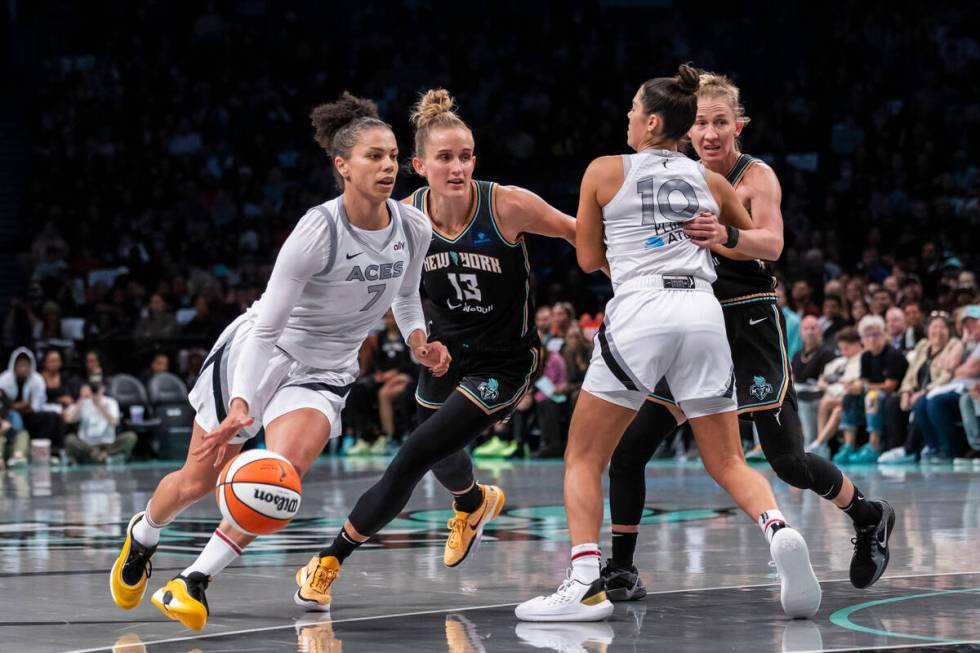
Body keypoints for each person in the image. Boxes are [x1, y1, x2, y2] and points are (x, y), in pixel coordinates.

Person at [108, 92, 450, 630]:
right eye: (373, 157)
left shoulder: (414, 227)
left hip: (326, 370)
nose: (387, 166)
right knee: (199, 480)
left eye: (391, 156)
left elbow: (407, 295)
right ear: (342, 166)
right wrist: (242, 403)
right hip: (264, 353)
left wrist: (417, 338)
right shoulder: (318, 231)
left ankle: (193, 580)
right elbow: (267, 325)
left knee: (279, 477)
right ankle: (144, 533)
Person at [515, 64, 821, 622]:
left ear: (652, 120)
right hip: (704, 313)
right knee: (728, 458)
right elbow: (754, 245)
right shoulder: (709, 180)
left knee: (584, 456)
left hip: (642, 309)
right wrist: (721, 235)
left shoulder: (605, 170)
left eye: (633, 110)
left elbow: (586, 259)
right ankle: (779, 531)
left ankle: (585, 581)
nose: (627, 118)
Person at [599, 70, 895, 611]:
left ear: (740, 124)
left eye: (720, 122)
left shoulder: (754, 175)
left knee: (787, 462)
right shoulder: (676, 174)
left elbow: (774, 243)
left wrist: (727, 236)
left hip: (751, 322)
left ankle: (869, 515)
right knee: (630, 450)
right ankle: (620, 568)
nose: (709, 133)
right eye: (701, 123)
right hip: (695, 324)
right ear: (686, 128)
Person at [293, 88, 577, 609]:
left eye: (465, 155)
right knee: (437, 448)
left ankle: (328, 560)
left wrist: (635, 280)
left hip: (505, 360)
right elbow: (393, 291)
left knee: (415, 454)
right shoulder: (404, 217)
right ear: (419, 165)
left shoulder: (507, 204)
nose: (458, 166)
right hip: (444, 353)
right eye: (444, 157)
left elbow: (582, 235)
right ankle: (472, 503)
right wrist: (418, 340)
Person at [878, 312, 960, 463]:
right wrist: (905, 392)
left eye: (942, 327)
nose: (938, 331)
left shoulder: (953, 345)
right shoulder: (923, 346)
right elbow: (910, 373)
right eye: (934, 327)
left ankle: (910, 449)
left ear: (949, 330)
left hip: (936, 390)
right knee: (893, 402)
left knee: (920, 402)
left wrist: (923, 391)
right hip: (915, 391)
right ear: (928, 330)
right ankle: (895, 447)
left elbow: (947, 376)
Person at [834, 315, 909, 463]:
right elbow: (864, 381)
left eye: (876, 335)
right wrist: (854, 387)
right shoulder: (866, 356)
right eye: (867, 336)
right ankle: (849, 444)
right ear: (862, 339)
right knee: (849, 397)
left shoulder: (893, 355)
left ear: (884, 335)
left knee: (872, 396)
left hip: (893, 396)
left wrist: (865, 387)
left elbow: (890, 386)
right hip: (873, 393)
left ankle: (874, 445)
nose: (872, 339)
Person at [64, 381, 138, 464]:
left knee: (130, 437)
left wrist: (99, 406)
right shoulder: (83, 403)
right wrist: (81, 399)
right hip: (87, 445)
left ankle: (101, 456)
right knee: (70, 439)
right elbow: (69, 420)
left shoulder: (111, 402)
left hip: (108, 444)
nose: (95, 392)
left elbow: (115, 422)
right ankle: (102, 457)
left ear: (103, 389)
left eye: (97, 389)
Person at [793, 316, 838, 446]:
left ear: (820, 331)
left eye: (813, 328)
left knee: (803, 400)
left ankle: (810, 444)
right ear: (801, 333)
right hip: (800, 394)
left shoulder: (827, 353)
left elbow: (829, 380)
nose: (810, 332)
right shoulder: (797, 355)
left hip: (819, 395)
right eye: (806, 328)